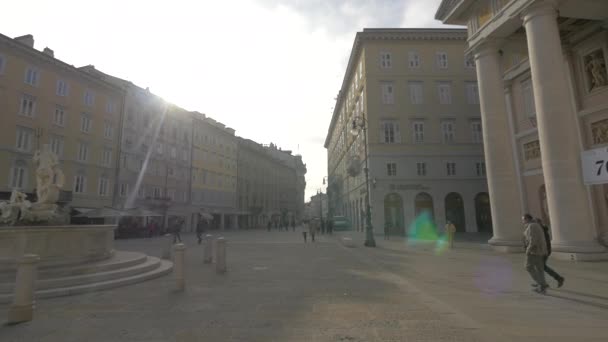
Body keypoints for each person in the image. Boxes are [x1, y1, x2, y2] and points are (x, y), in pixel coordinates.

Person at [535, 218, 565, 288]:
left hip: (544, 251)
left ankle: (544, 283)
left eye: (536, 223)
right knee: (542, 267)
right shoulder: (542, 230)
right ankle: (556, 279)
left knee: (540, 267)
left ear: (539, 223)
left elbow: (542, 242)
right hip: (544, 251)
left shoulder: (542, 231)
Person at [523, 214, 548, 294]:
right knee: (539, 268)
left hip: (534, 251)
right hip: (539, 250)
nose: (523, 221)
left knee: (528, 267)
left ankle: (541, 284)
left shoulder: (532, 226)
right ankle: (542, 285)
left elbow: (533, 239)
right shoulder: (536, 225)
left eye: (523, 219)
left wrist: (528, 249)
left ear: (527, 219)